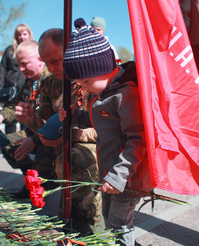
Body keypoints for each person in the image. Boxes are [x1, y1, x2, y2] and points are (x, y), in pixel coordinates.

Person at [59, 18, 152, 246]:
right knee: (112, 222)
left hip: (128, 178)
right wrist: (76, 116)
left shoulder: (125, 95)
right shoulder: (105, 93)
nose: (83, 87)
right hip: (112, 175)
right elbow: (102, 122)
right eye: (79, 83)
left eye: (86, 81)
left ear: (102, 69)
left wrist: (118, 176)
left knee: (119, 224)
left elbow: (138, 140)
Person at [14, 29, 104, 236]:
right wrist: (30, 120)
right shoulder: (49, 82)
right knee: (64, 170)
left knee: (74, 158)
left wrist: (68, 136)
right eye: (46, 62)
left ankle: (94, 224)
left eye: (56, 61)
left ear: (70, 51)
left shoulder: (89, 79)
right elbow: (46, 125)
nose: (50, 68)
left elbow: (103, 127)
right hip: (63, 148)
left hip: (90, 150)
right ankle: (72, 219)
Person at [0, 40, 55, 198]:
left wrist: (35, 140)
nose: (21, 69)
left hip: (52, 136)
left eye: (24, 64)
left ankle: (45, 181)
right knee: (9, 144)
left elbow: (56, 122)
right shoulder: (30, 83)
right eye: (19, 65)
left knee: (44, 155)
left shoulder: (52, 79)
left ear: (39, 59)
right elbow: (16, 105)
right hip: (34, 131)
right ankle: (34, 181)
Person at [0, 23, 33, 134]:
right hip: (10, 88)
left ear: (29, 34)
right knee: (10, 120)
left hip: (26, 88)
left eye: (24, 34)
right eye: (19, 34)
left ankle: (23, 144)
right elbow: (2, 70)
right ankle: (11, 145)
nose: (22, 37)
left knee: (25, 118)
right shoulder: (9, 51)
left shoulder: (34, 49)